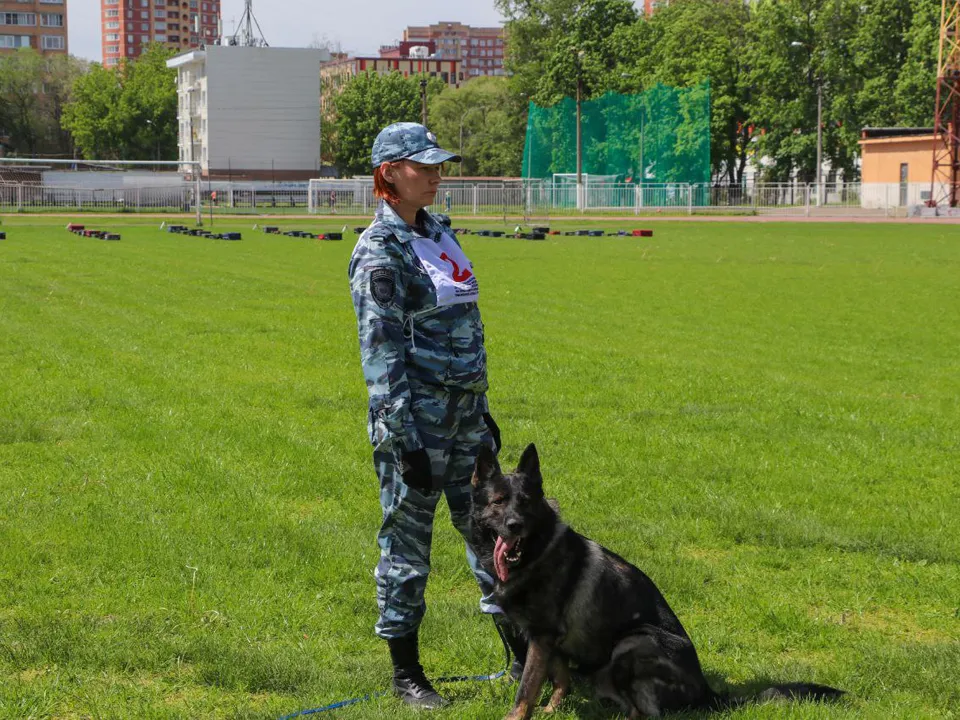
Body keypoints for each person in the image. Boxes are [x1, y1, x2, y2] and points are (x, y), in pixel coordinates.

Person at [347, 122, 524, 708]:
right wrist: (406, 439)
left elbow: (463, 326)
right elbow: (382, 350)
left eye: (438, 165)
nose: (436, 175)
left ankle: (525, 657)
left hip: (466, 419)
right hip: (418, 425)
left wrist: (482, 409)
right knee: (407, 546)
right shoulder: (380, 250)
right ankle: (406, 675)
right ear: (389, 174)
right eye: (422, 166)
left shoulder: (438, 232)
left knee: (492, 536)